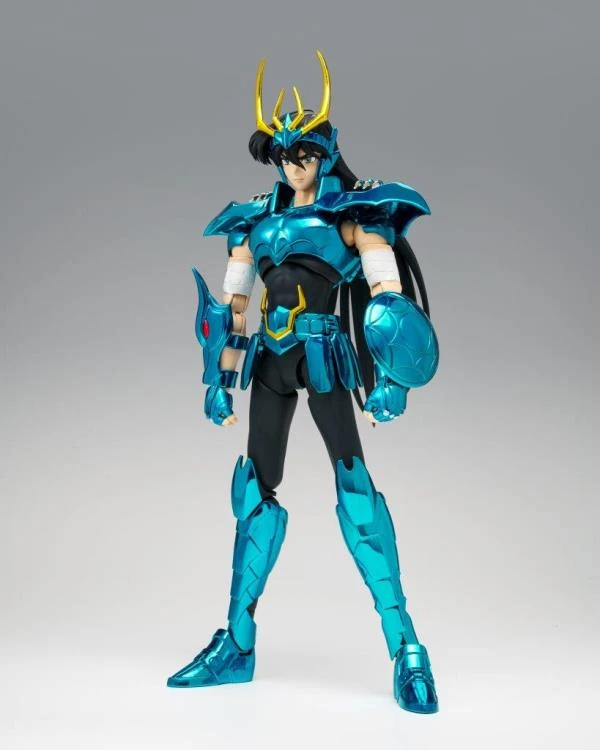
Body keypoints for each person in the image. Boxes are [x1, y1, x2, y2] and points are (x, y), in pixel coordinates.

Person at [167, 51, 440, 714]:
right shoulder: (252, 223)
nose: (295, 163)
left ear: (326, 150)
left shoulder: (352, 213)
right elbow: (233, 309)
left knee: (356, 492)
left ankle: (405, 646)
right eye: (285, 153)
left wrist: (392, 379)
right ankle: (237, 642)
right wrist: (219, 379)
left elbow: (386, 294)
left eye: (306, 151)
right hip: (271, 363)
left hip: (323, 359)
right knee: (253, 494)